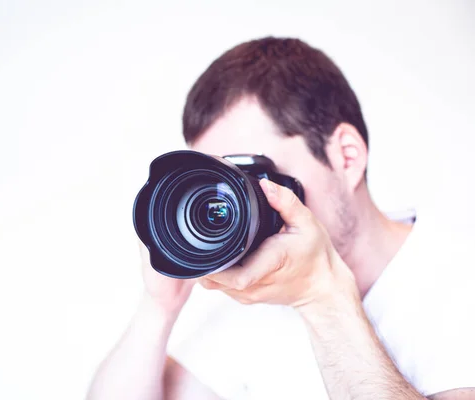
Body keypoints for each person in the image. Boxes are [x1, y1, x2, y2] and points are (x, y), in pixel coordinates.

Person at [86, 37, 475, 399]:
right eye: (219, 179)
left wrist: (321, 294)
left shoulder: (457, 281)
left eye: (253, 177)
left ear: (347, 157)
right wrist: (159, 306)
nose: (235, 204)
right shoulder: (263, 299)